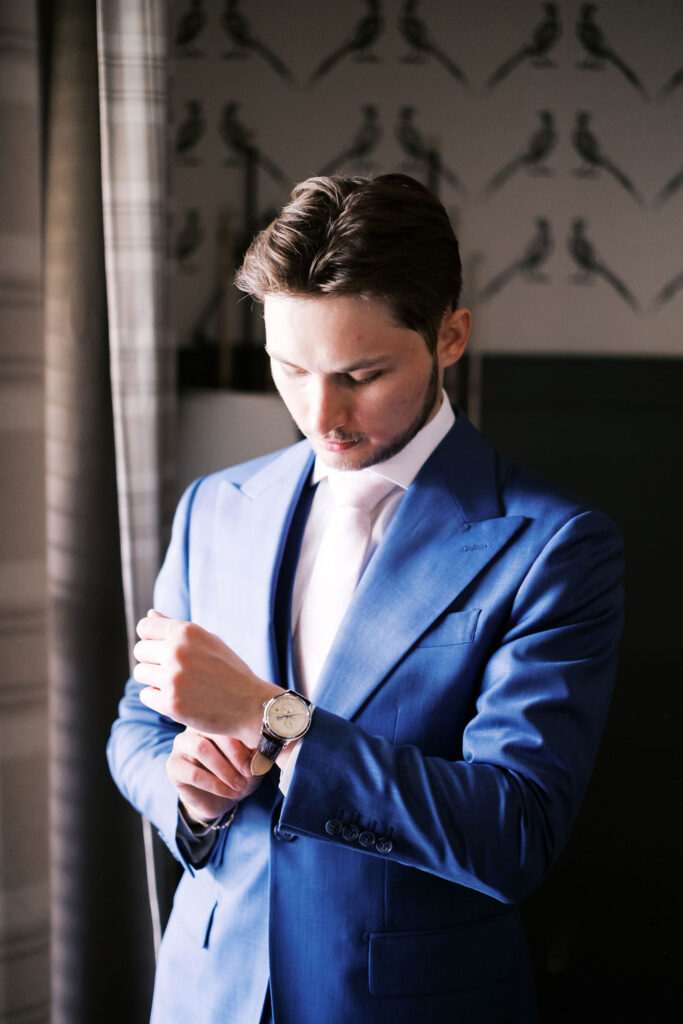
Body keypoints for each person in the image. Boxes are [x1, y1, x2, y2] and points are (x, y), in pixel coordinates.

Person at [108, 174, 624, 1024]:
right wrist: (187, 796)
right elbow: (137, 727)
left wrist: (272, 717)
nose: (321, 413)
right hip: (207, 993)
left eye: (361, 373)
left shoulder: (553, 547)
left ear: (450, 336)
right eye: (290, 367)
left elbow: (514, 831)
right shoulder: (213, 507)